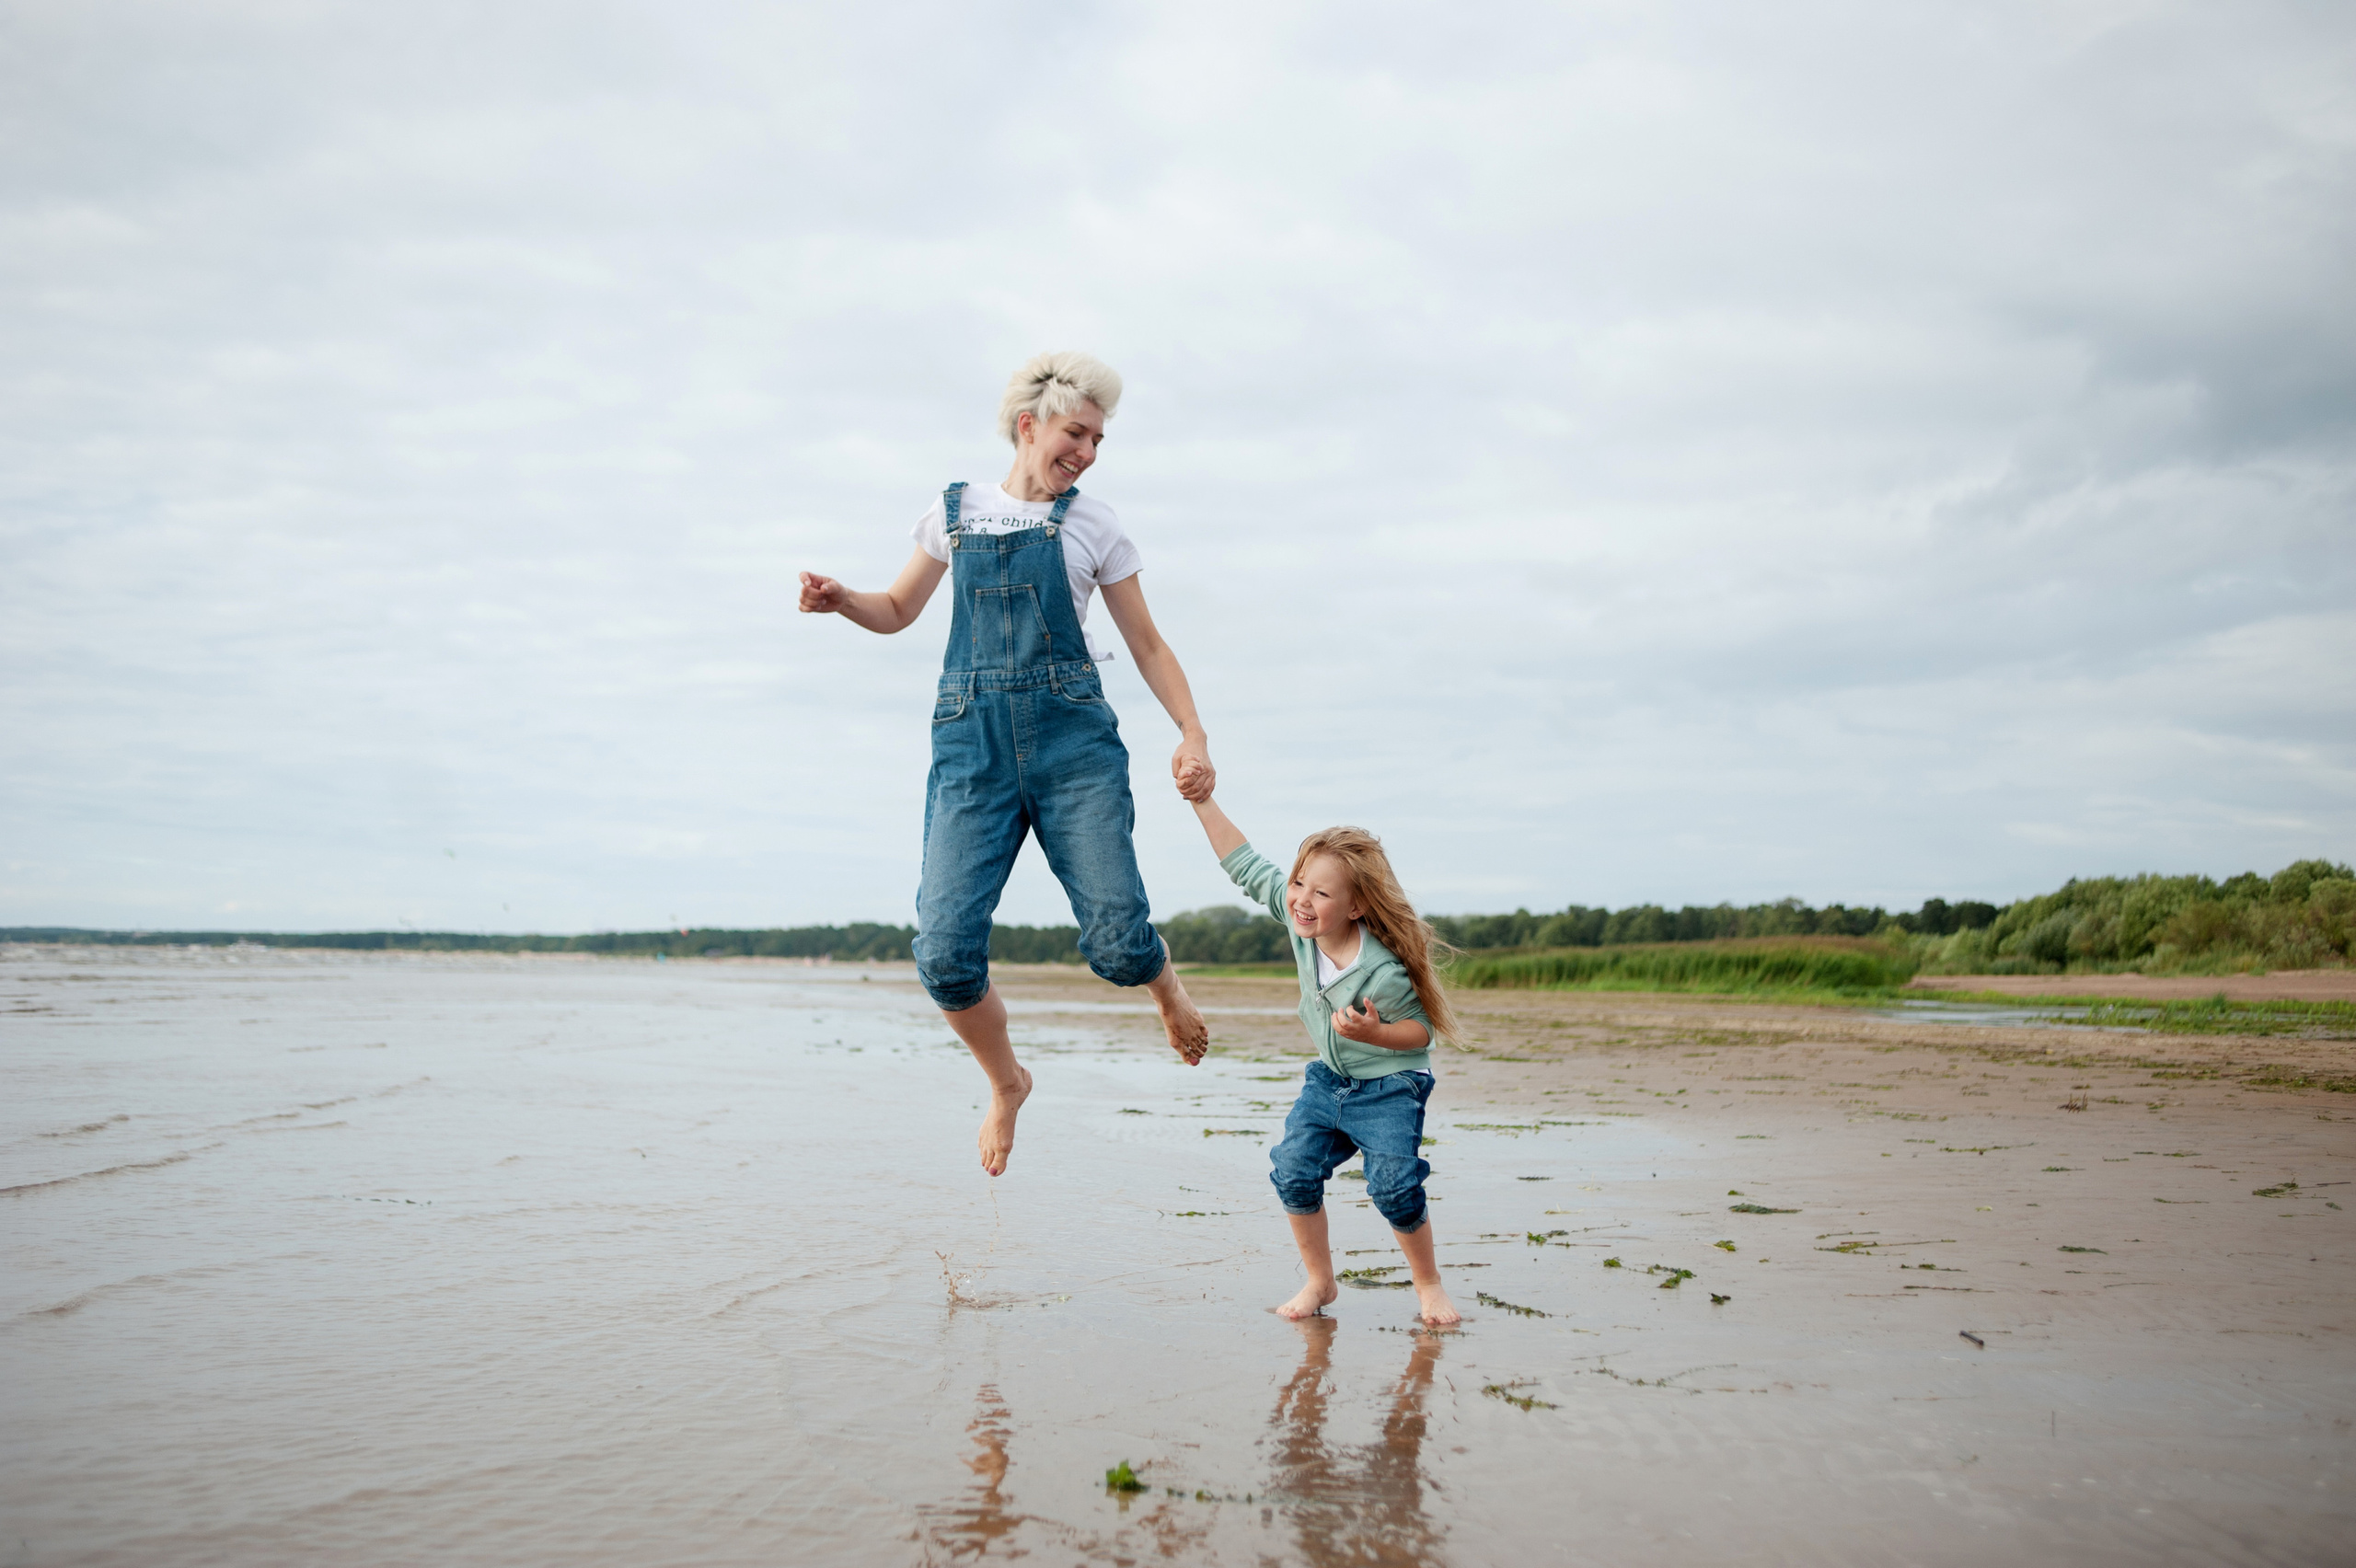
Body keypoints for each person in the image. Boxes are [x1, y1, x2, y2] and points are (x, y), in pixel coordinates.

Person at [797, 352, 1214, 1177]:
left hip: (1073, 748)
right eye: (1077, 433)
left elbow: (1149, 643)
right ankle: (1007, 1083)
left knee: (1119, 948)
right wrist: (843, 600)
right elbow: (898, 609)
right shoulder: (954, 511)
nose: (1089, 453)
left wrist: (1192, 731)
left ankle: (1166, 989)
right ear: (1030, 426)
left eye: (1099, 439)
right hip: (971, 749)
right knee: (944, 956)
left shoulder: (1097, 526)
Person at [1181, 776, 1462, 1325]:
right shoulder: (1298, 923)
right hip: (1330, 1079)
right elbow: (1244, 863)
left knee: (1394, 1186)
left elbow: (1421, 1033)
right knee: (1292, 1170)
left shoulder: (1382, 969)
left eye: (1321, 893)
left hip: (1390, 1086)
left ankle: (1428, 1285)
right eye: (1299, 884)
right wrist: (1202, 801)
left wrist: (1377, 1034)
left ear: (1357, 907)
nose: (1302, 901)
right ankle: (1320, 1281)